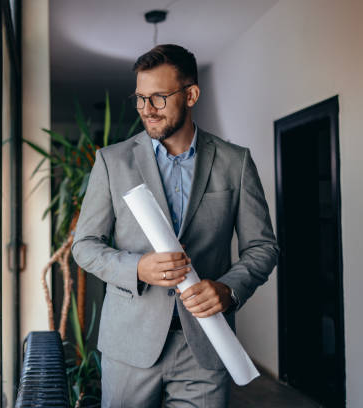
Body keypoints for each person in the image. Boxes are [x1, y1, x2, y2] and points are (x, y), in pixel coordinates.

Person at [71, 44, 279, 407]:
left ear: (191, 94)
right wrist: (137, 267)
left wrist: (229, 289)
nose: (146, 110)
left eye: (158, 98)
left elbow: (263, 247)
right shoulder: (111, 161)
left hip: (205, 343)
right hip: (129, 346)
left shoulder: (236, 162)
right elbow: (84, 245)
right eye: (140, 98)